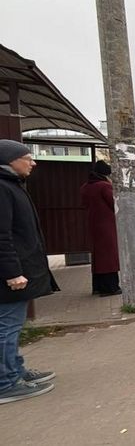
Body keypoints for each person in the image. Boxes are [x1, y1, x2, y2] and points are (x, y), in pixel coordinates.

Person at [0, 140, 58, 404]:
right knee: (7, 327)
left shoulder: (11, 185)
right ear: (9, 160)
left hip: (17, 270)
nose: (33, 162)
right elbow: (2, 236)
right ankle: (6, 383)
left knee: (12, 325)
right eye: (27, 157)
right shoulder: (2, 188)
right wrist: (12, 272)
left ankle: (16, 371)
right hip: (10, 275)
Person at [79, 160, 121, 297]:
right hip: (107, 225)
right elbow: (114, 205)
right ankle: (111, 287)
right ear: (105, 174)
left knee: (98, 256)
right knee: (109, 257)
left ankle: (97, 286)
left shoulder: (85, 186)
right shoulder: (104, 186)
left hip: (93, 224)